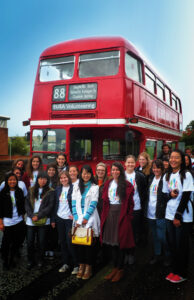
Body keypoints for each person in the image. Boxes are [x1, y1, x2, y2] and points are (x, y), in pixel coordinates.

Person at [100, 162, 134, 282]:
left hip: (121, 215)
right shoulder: (108, 183)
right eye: (113, 170)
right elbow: (105, 201)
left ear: (121, 171)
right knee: (112, 244)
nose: (115, 172)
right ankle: (114, 268)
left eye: (117, 170)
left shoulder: (127, 185)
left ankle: (120, 269)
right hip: (110, 214)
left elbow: (130, 205)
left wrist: (128, 218)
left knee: (120, 243)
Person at [163, 150, 193, 283]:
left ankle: (182, 273)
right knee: (172, 244)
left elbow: (186, 196)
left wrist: (178, 216)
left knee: (182, 245)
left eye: (177, 158)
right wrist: (170, 195)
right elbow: (164, 195)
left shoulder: (186, 174)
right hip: (169, 214)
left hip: (182, 216)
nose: (173, 160)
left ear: (182, 160)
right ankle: (175, 270)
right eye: (171, 157)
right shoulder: (167, 175)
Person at [72, 165, 100, 280]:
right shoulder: (76, 186)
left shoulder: (95, 187)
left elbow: (93, 204)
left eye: (88, 173)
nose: (86, 175)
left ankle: (89, 267)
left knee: (89, 245)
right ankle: (81, 266)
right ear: (80, 174)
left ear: (91, 174)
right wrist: (77, 218)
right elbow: (73, 203)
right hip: (78, 219)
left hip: (90, 219)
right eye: (84, 173)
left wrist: (85, 218)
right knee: (79, 244)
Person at [25, 171, 55, 269]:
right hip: (31, 220)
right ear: (37, 179)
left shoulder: (50, 191)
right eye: (40, 178)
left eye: (45, 179)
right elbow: (27, 205)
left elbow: (50, 206)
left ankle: (40, 260)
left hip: (43, 220)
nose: (42, 181)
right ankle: (30, 260)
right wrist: (31, 215)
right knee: (30, 242)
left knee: (41, 242)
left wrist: (39, 216)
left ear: (47, 180)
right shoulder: (31, 189)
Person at [51, 170, 78, 274]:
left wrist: (75, 216)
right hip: (59, 218)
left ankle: (76, 265)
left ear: (69, 178)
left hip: (69, 219)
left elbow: (77, 203)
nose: (63, 179)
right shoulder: (58, 189)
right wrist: (53, 219)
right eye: (61, 178)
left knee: (70, 242)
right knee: (62, 242)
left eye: (65, 177)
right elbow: (55, 205)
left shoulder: (74, 188)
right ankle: (65, 263)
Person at [145, 159, 170, 265]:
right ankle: (157, 254)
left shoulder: (165, 179)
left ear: (162, 169)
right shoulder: (151, 179)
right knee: (154, 236)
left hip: (160, 212)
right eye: (154, 167)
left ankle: (168, 255)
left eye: (158, 168)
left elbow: (167, 196)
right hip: (150, 212)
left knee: (162, 236)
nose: (155, 170)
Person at [0, 173, 25, 269]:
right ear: (6, 181)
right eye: (10, 180)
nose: (12, 181)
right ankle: (5, 261)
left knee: (16, 242)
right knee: (6, 243)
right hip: (7, 222)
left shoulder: (19, 191)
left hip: (18, 221)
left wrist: (22, 217)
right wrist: (1, 222)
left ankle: (12, 259)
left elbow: (22, 206)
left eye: (14, 180)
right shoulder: (3, 193)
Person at [124, 155, 146, 264]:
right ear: (125, 164)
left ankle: (131, 253)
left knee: (133, 232)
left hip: (136, 207)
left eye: (132, 162)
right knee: (124, 232)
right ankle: (125, 253)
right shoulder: (120, 175)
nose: (130, 164)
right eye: (128, 162)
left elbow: (143, 192)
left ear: (135, 164)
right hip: (123, 209)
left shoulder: (140, 176)